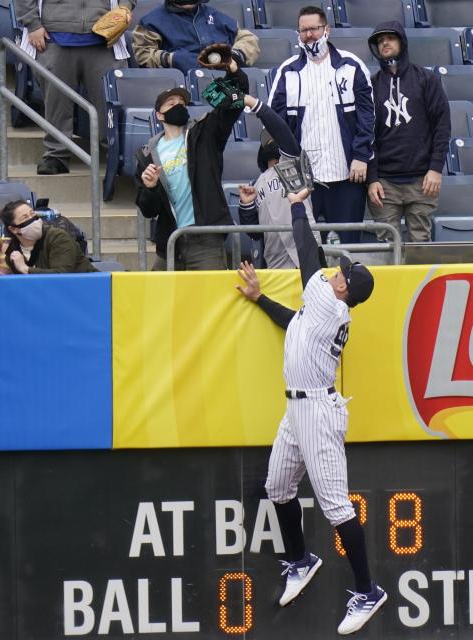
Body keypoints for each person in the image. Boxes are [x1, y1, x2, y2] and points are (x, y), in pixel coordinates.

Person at [235, 185, 382, 635]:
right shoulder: (319, 312)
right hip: (296, 409)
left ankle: (367, 591)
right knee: (277, 487)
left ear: (345, 291)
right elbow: (292, 323)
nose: (335, 275)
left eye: (342, 275)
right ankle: (300, 560)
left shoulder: (333, 307)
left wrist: (298, 204)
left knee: (337, 507)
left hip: (318, 411)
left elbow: (306, 253)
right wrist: (260, 299)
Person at [269, 5, 375, 245]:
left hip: (347, 175)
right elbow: (274, 120)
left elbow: (368, 116)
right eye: (303, 30)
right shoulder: (288, 71)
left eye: (314, 29)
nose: (309, 35)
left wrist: (361, 155)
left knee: (349, 246)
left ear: (326, 29)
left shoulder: (352, 65)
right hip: (305, 180)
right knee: (306, 247)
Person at [134, 64, 249, 270]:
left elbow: (234, 103)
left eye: (182, 102)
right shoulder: (146, 155)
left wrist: (233, 71)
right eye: (171, 103)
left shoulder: (204, 133)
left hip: (206, 240)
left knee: (211, 300)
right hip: (170, 243)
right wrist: (149, 188)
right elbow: (149, 210)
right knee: (157, 300)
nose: (178, 105)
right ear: (159, 115)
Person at [15, 0, 132, 175]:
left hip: (105, 37)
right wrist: (32, 24)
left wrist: (125, 7)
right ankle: (56, 154)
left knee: (111, 102)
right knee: (56, 102)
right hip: (53, 35)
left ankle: (118, 154)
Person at [365, 21, 450, 243]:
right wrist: (372, 178)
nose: (384, 43)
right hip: (384, 183)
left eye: (390, 38)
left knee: (421, 246)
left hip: (422, 179)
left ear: (401, 42)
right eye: (380, 40)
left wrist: (435, 169)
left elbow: (442, 126)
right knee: (387, 249)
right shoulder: (370, 85)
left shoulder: (427, 79)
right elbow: (367, 135)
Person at [237, 94, 319, 269]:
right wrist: (246, 206)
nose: (273, 141)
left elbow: (280, 129)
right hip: (276, 259)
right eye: (268, 140)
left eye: (276, 140)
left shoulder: (294, 164)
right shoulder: (256, 184)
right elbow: (254, 234)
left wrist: (254, 104)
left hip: (305, 250)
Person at [132, 0, 259, 73]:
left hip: (227, 78)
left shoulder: (217, 16)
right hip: (183, 87)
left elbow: (248, 39)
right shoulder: (151, 21)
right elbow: (143, 55)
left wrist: (234, 56)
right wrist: (172, 59)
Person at [0, 200, 96, 274]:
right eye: (25, 217)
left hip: (87, 290)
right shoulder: (13, 251)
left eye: (32, 213)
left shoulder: (58, 237)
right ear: (13, 229)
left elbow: (62, 275)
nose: (32, 219)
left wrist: (25, 269)